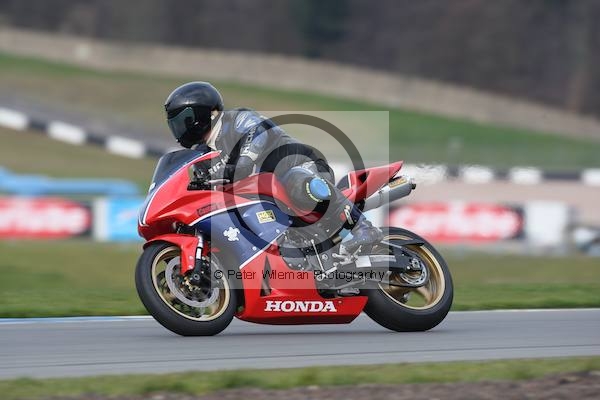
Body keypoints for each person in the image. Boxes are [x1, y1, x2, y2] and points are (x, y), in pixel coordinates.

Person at [164, 81, 382, 253]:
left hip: (301, 165)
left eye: (183, 120)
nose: (179, 128)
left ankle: (363, 228)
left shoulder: (237, 119)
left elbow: (259, 133)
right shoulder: (202, 157)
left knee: (297, 182)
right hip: (267, 198)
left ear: (203, 114)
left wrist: (243, 161)